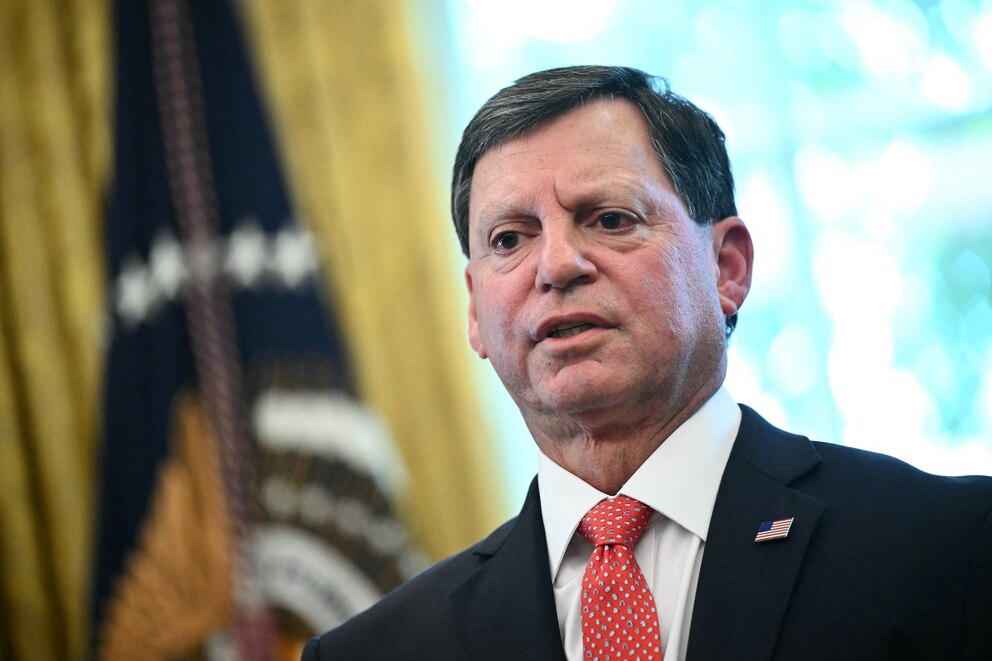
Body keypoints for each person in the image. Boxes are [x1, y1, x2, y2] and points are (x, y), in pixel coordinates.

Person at [302, 66, 992, 660]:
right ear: (476, 313)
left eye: (609, 218)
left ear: (727, 267)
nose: (558, 264)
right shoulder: (373, 651)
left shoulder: (948, 546)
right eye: (510, 237)